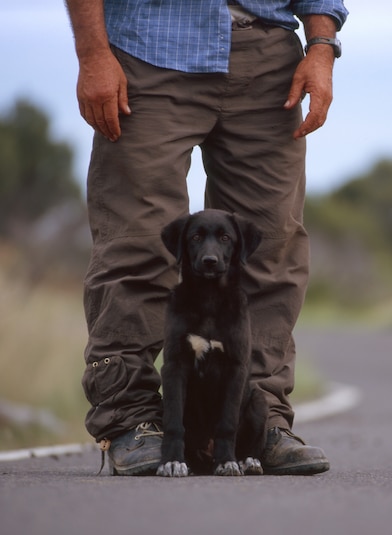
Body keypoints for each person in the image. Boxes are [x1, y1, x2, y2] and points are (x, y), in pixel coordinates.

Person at [65, 0, 348, 476]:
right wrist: (94, 53)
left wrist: (321, 47)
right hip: (151, 48)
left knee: (272, 247)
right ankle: (130, 419)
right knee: (136, 244)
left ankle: (258, 424)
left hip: (268, 57)